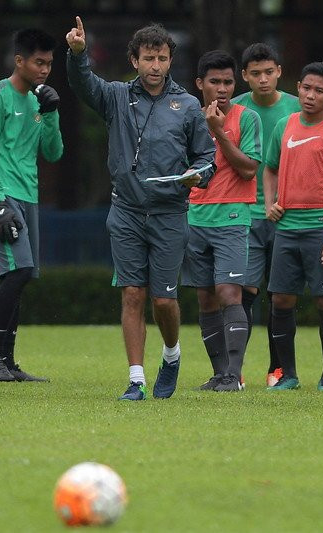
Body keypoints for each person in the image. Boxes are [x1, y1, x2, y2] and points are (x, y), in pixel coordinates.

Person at [66, 17, 216, 400]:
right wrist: (78, 54)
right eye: (148, 58)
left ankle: (172, 354)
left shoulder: (188, 105)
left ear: (170, 61)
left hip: (169, 213)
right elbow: (84, 85)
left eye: (162, 59)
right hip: (127, 212)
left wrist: (198, 175)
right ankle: (136, 379)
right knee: (132, 294)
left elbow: (207, 157)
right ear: (134, 59)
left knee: (164, 300)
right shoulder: (116, 96)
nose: (155, 66)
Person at [261, 62, 323, 392]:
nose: (310, 96)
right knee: (281, 301)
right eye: (306, 88)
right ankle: (288, 374)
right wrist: (270, 202)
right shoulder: (285, 126)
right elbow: (269, 169)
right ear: (298, 86)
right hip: (286, 229)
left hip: (321, 228)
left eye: (319, 91)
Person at [0, 28, 64, 382]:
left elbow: (53, 153)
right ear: (19, 61)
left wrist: (52, 112)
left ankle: (8, 362)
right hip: (5, 195)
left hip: (30, 196)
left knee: (23, 275)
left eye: (49, 63)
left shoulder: (37, 102)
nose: (44, 70)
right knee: (18, 271)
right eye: (38, 62)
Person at [184, 50, 262, 392]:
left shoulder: (247, 118)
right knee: (205, 298)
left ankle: (234, 375)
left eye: (228, 82)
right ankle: (218, 373)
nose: (222, 88)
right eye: (214, 81)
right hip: (195, 215)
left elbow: (248, 168)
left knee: (229, 292)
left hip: (232, 215)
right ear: (200, 84)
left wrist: (220, 133)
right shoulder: (188, 118)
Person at [231, 43, 300, 387]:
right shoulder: (233, 109)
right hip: (244, 213)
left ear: (279, 71)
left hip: (285, 216)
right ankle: (235, 370)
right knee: (243, 291)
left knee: (280, 294)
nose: (263, 79)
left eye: (268, 72)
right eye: (255, 73)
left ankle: (277, 369)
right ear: (244, 76)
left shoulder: (298, 109)